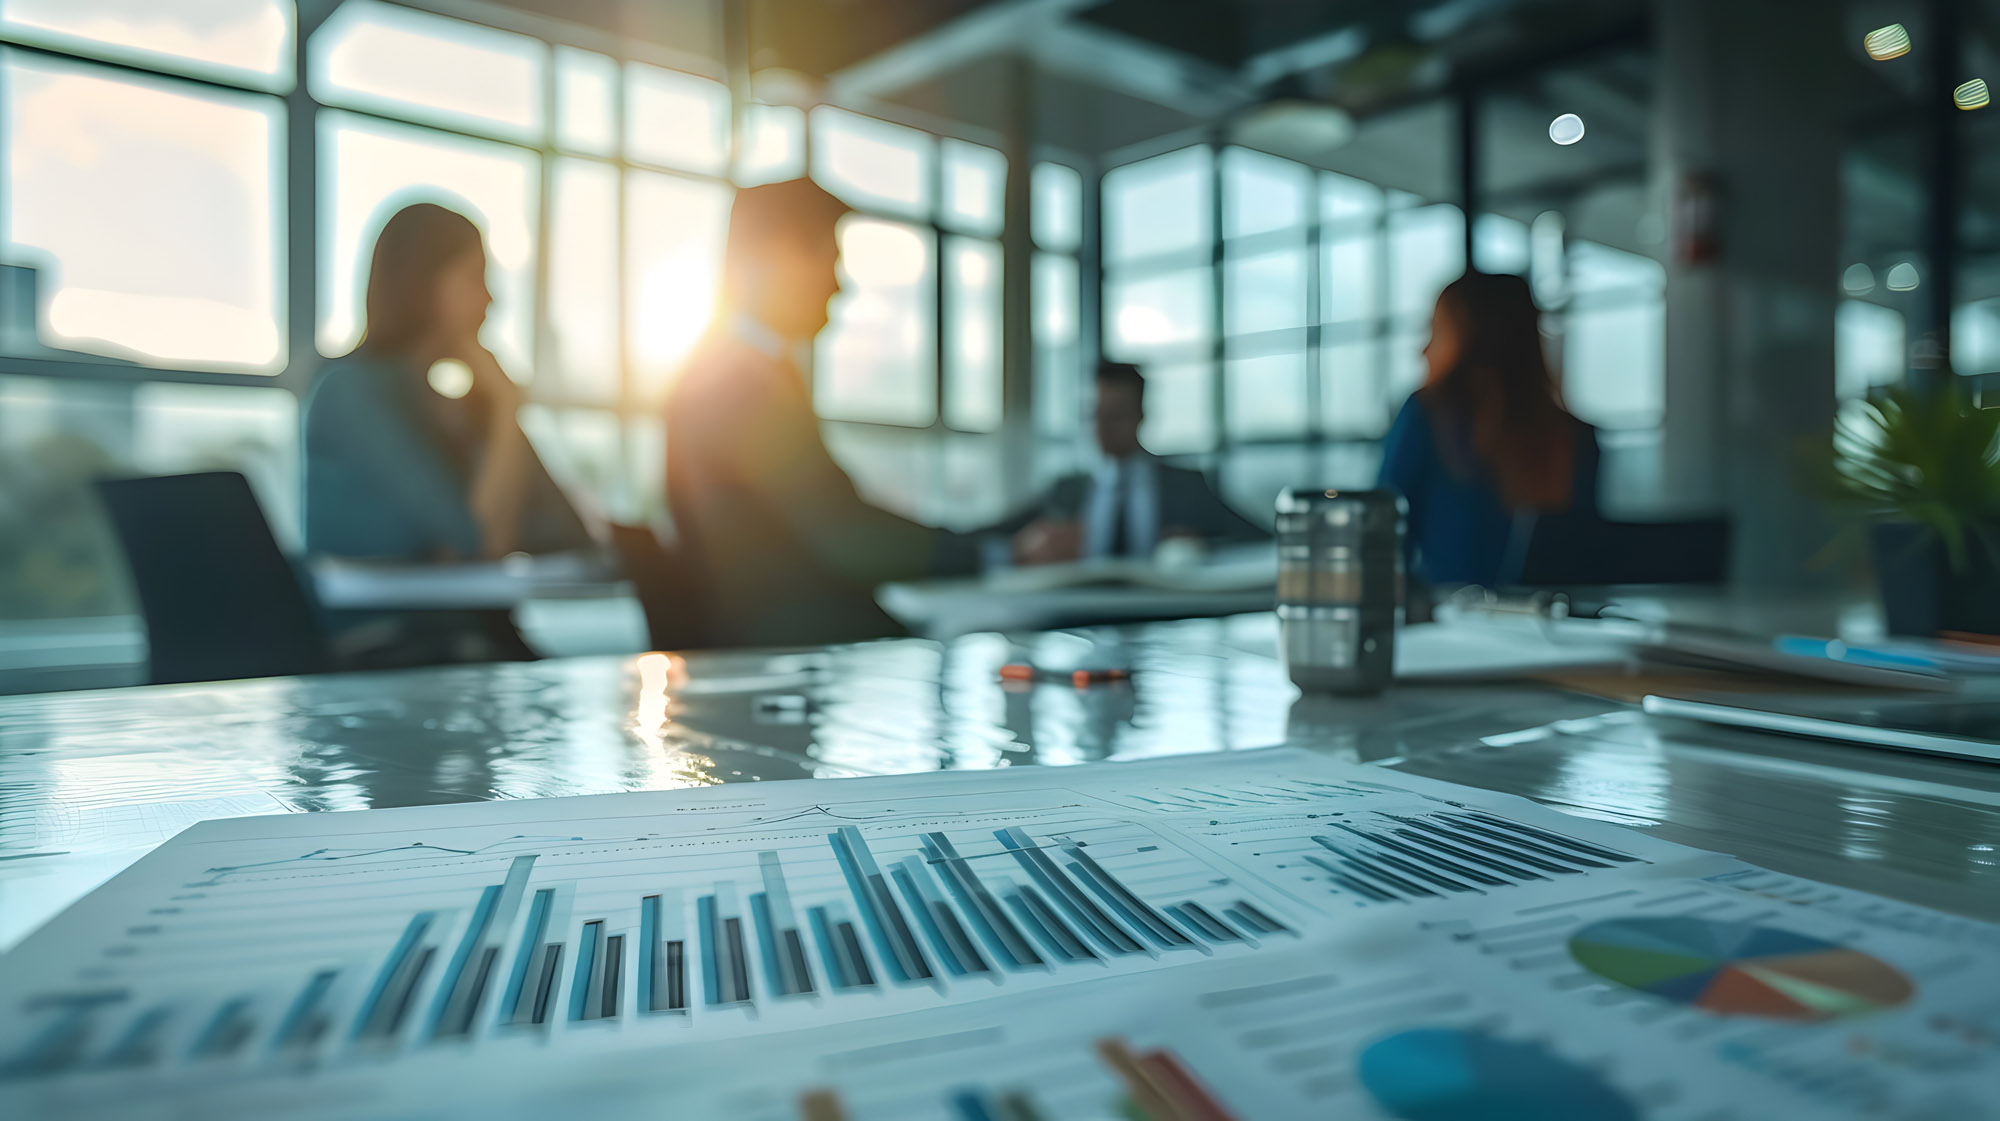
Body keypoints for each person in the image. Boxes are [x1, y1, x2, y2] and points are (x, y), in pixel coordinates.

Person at [664, 179, 972, 648]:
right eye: (827, 256)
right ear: (771, 257)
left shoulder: (744, 371)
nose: (839, 283)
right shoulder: (734, 386)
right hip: (786, 658)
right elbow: (846, 534)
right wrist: (988, 553)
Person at [303, 202, 590, 661]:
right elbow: (485, 539)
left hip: (477, 641)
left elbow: (568, 531)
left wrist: (501, 413)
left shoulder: (462, 403)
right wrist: (506, 407)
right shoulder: (352, 392)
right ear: (424, 282)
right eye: (476, 277)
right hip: (388, 651)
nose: (492, 300)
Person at [1376, 271, 1600, 587]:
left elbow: (1379, 539)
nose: (1423, 350)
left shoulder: (1426, 415)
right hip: (1551, 628)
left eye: (1437, 331)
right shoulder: (1574, 437)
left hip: (1452, 627)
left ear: (1467, 339)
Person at [1008, 362, 1265, 565]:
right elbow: (994, 536)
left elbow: (1257, 538)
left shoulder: (1188, 487)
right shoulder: (1065, 491)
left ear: (1141, 415)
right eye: (1096, 415)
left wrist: (1200, 548)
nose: (1102, 427)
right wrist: (1021, 551)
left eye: (1115, 415)